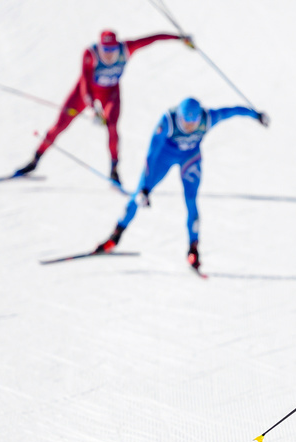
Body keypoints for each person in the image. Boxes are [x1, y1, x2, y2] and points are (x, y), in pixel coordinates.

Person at [93, 97, 269, 272]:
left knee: (191, 200)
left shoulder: (207, 118)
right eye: (186, 122)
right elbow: (151, 154)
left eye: (193, 123)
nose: (190, 127)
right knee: (137, 196)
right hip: (163, 158)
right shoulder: (168, 121)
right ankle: (114, 237)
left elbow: (232, 111)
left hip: (190, 158)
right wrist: (145, 188)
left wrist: (256, 115)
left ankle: (193, 250)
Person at [14, 29, 194, 183]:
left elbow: (152, 39)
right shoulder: (90, 54)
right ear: (99, 47)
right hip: (84, 94)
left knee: (113, 127)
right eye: (105, 49)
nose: (108, 53)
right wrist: (92, 108)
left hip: (110, 94)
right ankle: (34, 160)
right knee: (59, 125)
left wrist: (178, 38)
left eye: (112, 49)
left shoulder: (126, 49)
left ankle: (114, 169)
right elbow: (84, 82)